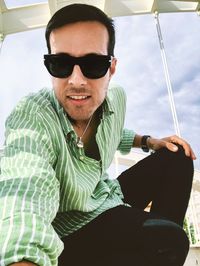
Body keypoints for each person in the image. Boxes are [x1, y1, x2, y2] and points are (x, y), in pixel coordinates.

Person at [0, 3, 196, 266]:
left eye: (93, 64)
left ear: (112, 68)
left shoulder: (116, 99)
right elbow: (25, 192)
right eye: (61, 64)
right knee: (170, 241)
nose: (77, 80)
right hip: (70, 228)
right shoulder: (34, 115)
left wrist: (149, 142)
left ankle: (149, 246)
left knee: (177, 156)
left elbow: (117, 133)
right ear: (48, 65)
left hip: (106, 195)